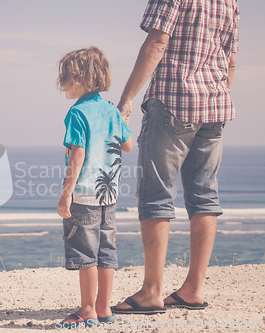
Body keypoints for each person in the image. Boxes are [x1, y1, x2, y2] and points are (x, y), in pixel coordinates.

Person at [112, 0, 239, 314]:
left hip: (172, 101)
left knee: (157, 194)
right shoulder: (230, 2)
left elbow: (157, 43)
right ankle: (193, 289)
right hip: (215, 106)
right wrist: (214, 99)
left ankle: (151, 292)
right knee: (204, 195)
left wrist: (126, 99)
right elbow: (231, 60)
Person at [56, 47, 133, 328]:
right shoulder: (110, 110)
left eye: (64, 78)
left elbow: (78, 155)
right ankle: (103, 308)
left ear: (78, 80)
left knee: (85, 253)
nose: (61, 83)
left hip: (85, 195)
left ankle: (87, 309)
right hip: (109, 195)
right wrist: (123, 121)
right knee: (106, 251)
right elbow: (127, 145)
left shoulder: (77, 113)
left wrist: (66, 194)